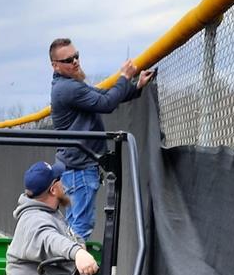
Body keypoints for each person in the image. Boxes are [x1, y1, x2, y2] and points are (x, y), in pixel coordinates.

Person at [49, 38, 155, 245]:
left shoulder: (69, 85)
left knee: (72, 228)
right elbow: (106, 103)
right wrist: (124, 76)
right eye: (69, 59)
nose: (75, 62)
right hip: (79, 168)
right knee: (80, 228)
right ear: (55, 65)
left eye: (76, 56)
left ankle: (67, 273)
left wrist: (136, 86)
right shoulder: (68, 88)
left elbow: (103, 96)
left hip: (73, 167)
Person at [6, 161, 99, 275]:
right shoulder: (33, 220)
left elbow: (65, 235)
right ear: (54, 189)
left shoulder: (51, 213)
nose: (64, 183)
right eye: (60, 179)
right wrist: (77, 253)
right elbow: (50, 239)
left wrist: (79, 243)